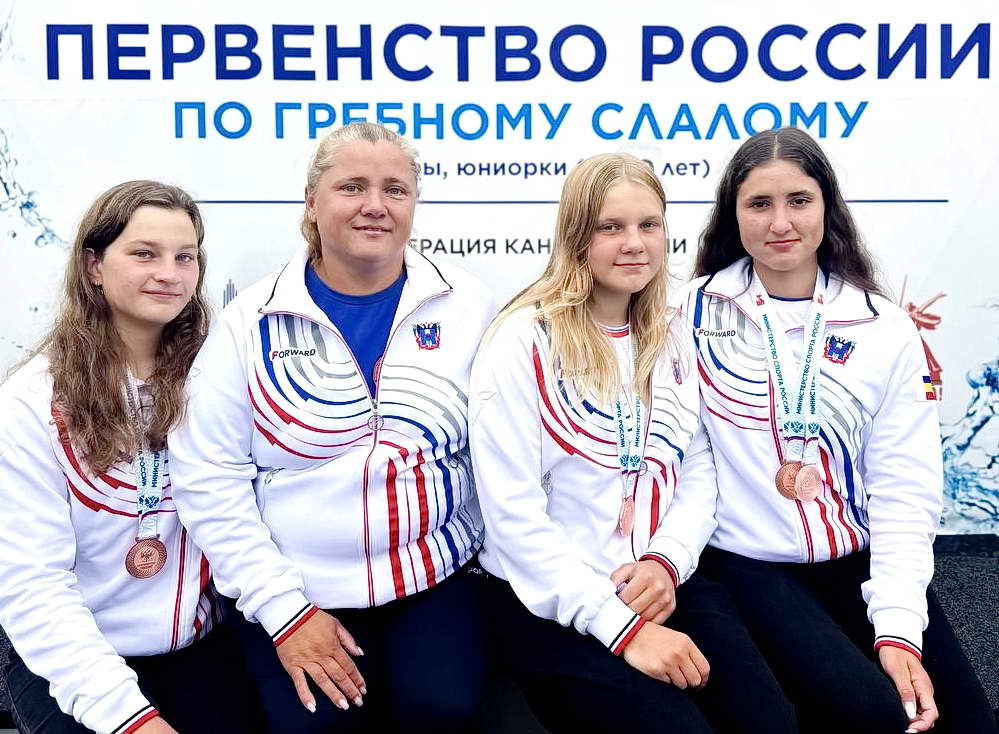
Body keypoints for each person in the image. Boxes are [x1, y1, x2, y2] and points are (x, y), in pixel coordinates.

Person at [168, 122, 495, 733]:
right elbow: (208, 477)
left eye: (395, 189)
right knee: (319, 725)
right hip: (296, 587)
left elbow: (505, 450)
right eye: (352, 187)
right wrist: (285, 613)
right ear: (312, 202)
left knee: (444, 707)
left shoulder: (469, 306)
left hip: (433, 577)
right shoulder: (250, 322)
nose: (375, 205)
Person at [682, 126, 998, 734]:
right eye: (759, 203)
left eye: (799, 200)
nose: (780, 222)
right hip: (747, 563)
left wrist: (898, 629)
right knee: (872, 712)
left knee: (965, 722)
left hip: (858, 558)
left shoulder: (883, 327)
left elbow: (903, 487)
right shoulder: (686, 316)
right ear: (732, 215)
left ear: (827, 206)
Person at [469, 153, 796, 734]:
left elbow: (697, 466)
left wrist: (666, 563)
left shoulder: (671, 329)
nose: (634, 244)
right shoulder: (522, 341)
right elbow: (512, 516)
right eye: (610, 227)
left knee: (770, 721)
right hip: (553, 600)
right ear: (576, 236)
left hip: (659, 580)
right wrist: (623, 630)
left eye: (649, 225)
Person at [0, 181, 261, 734]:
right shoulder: (30, 401)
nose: (170, 274)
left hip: (196, 648)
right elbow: (33, 585)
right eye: (145, 254)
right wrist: (129, 719)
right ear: (93, 266)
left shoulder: (219, 375)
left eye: (184, 257)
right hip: (69, 658)